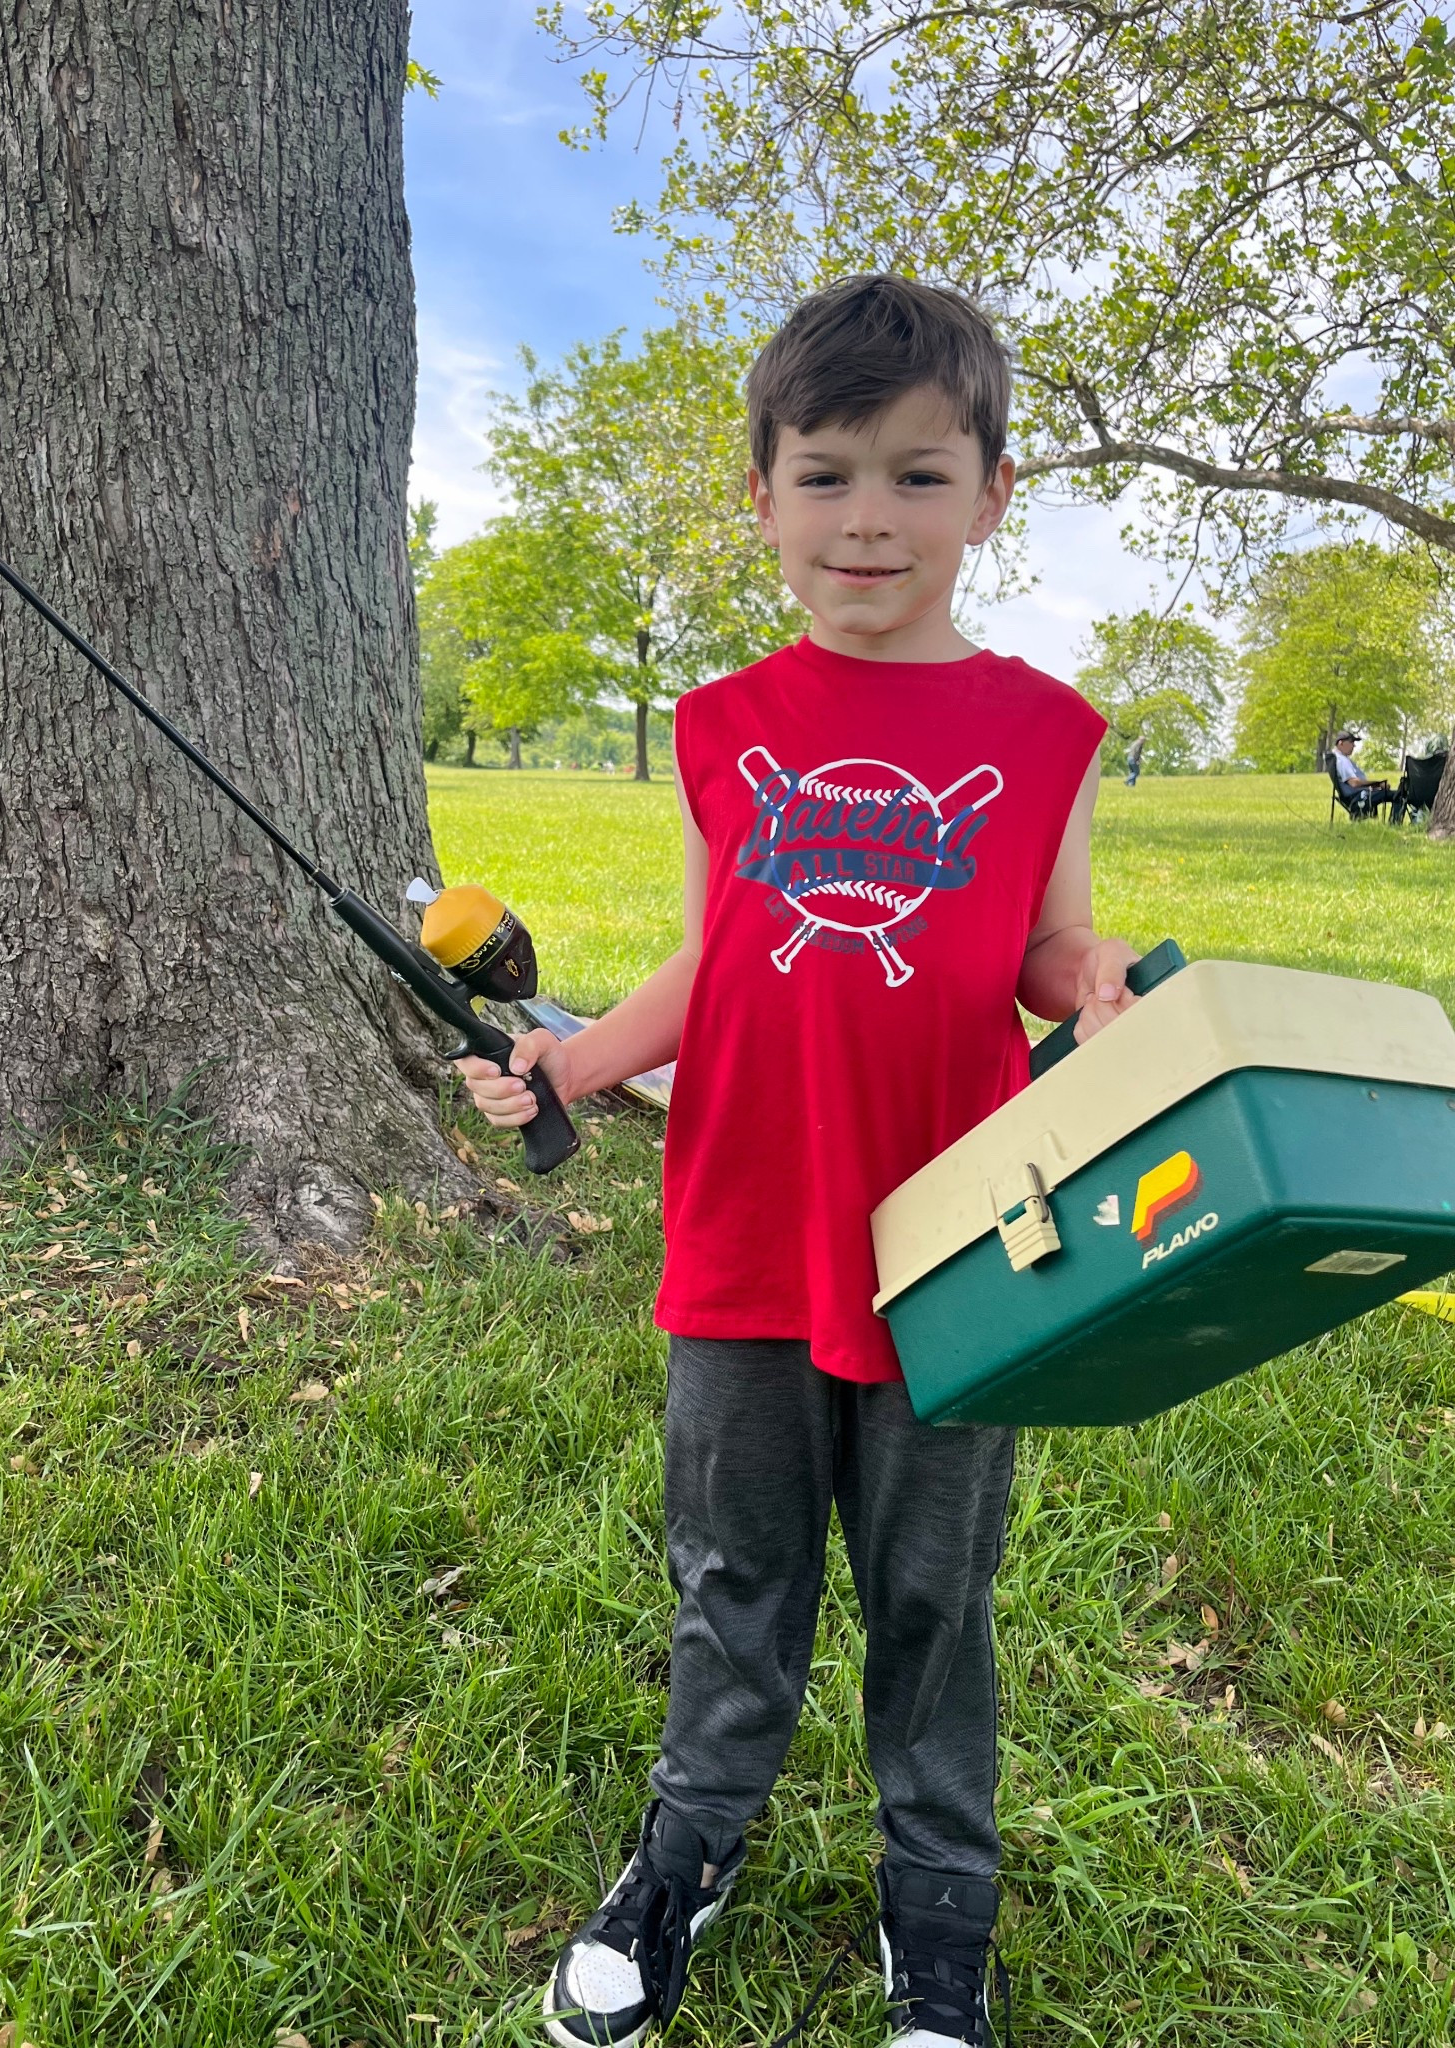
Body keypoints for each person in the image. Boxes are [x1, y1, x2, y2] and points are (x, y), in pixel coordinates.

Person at [457, 274, 1139, 2048]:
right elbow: (714, 959)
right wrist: (569, 1059)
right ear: (760, 496)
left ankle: (942, 1904)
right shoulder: (722, 725)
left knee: (935, 1595)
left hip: (960, 1248)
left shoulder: (1047, 732)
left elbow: (1043, 946)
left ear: (992, 495)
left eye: (920, 475)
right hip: (746, 1234)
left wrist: (1097, 982)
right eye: (825, 475)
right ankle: (689, 1845)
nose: (868, 519)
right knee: (735, 1580)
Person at [1330, 731, 1394, 816]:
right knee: (1398, 795)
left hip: (1358, 794)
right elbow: (1354, 783)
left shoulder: (1339, 758)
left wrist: (1376, 786)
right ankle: (1395, 821)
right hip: (1358, 796)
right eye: (1351, 742)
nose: (1354, 745)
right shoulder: (1341, 760)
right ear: (1341, 743)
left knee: (1395, 794)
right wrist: (1378, 784)